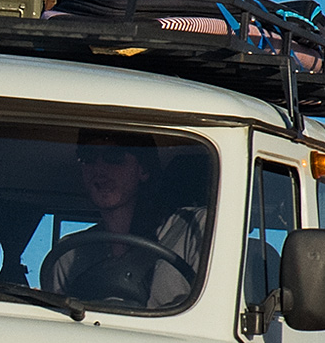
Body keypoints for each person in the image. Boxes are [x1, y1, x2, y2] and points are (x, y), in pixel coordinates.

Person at [44, 130, 208, 308]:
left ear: (143, 169)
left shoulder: (195, 228)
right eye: (88, 157)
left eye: (114, 157)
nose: (99, 169)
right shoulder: (68, 253)